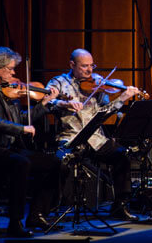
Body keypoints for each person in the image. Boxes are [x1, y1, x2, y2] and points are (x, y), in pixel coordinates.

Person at [0, 47, 62, 237]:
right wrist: (21, 130)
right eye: (10, 69)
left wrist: (44, 104)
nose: (14, 73)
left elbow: (20, 119)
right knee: (22, 163)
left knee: (54, 163)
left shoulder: (9, 90)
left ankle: (37, 214)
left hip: (7, 147)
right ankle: (14, 222)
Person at [46, 48, 143, 221]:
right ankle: (52, 206)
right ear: (72, 65)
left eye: (92, 65)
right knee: (59, 163)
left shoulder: (98, 84)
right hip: (70, 137)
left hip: (96, 139)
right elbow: (47, 101)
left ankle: (120, 206)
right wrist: (63, 103)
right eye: (84, 66)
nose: (90, 71)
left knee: (122, 157)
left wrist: (122, 98)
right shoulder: (59, 82)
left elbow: (105, 112)